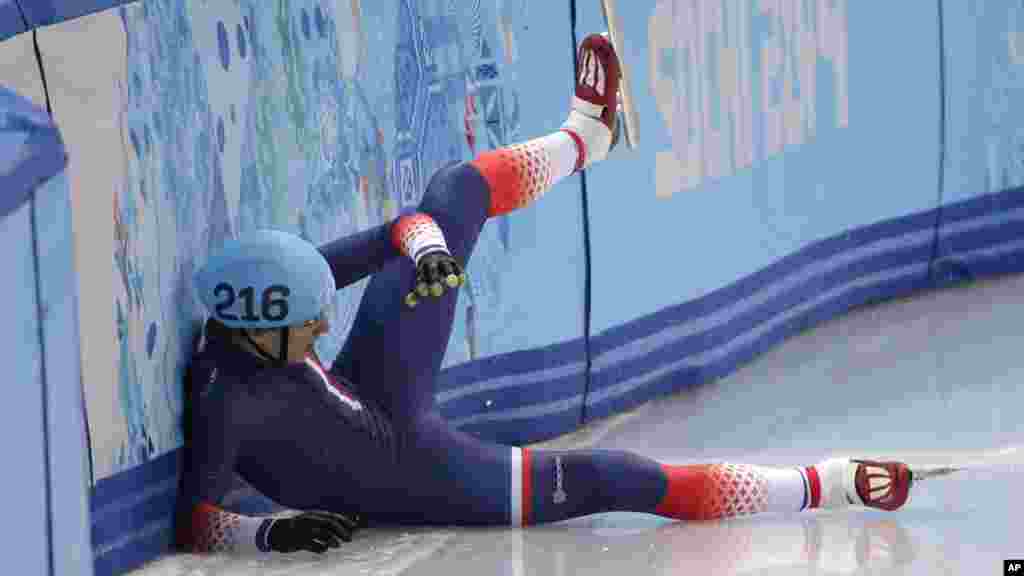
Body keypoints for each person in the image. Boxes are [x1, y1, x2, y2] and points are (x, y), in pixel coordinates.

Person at [178, 34, 914, 555]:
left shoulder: (270, 302)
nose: (319, 319)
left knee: (453, 193)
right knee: (612, 477)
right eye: (305, 320)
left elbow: (397, 231)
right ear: (256, 329)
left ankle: (583, 136)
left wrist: (428, 250)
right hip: (415, 473)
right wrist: (267, 533)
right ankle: (825, 484)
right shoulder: (225, 402)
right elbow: (198, 522)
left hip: (376, 389)